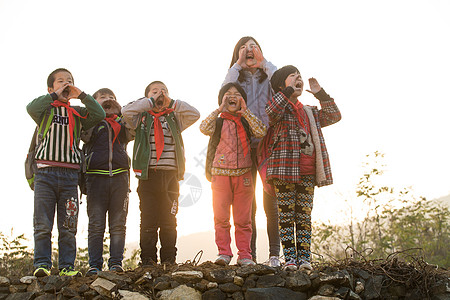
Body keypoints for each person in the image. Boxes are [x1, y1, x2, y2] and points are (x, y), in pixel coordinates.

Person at [26, 68, 105, 277]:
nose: (66, 83)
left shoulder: (77, 113)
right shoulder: (45, 111)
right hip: (45, 174)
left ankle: (67, 267)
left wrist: (82, 96)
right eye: (60, 81)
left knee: (68, 225)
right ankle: (42, 264)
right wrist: (54, 95)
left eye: (69, 81)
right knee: (43, 224)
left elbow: (99, 114)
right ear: (50, 88)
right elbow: (30, 107)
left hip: (70, 177)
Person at [265, 65, 341, 271]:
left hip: (307, 171)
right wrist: (288, 90)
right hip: (283, 170)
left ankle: (305, 259)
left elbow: (334, 116)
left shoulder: (309, 111)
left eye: (299, 76)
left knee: (304, 216)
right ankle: (290, 259)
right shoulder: (279, 108)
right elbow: (271, 111)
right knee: (286, 216)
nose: (299, 78)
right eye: (293, 76)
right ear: (282, 84)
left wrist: (319, 93)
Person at [122, 81, 200, 265]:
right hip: (148, 176)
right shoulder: (140, 119)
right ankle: (148, 258)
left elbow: (195, 114)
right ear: (147, 96)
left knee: (169, 219)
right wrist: (149, 103)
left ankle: (168, 259)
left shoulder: (174, 119)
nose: (160, 94)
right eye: (155, 91)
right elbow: (125, 112)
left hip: (171, 176)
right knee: (148, 219)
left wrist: (171, 103)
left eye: (163, 91)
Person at [222, 36, 280, 266]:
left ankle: (275, 254)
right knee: (246, 205)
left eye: (253, 47)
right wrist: (237, 65)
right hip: (242, 144)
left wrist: (263, 62)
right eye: (244, 48)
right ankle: (250, 256)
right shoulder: (235, 79)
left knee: (271, 200)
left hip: (268, 142)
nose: (249, 50)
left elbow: (281, 82)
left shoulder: (269, 78)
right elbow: (224, 92)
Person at [200, 82, 267, 267]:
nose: (232, 96)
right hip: (220, 174)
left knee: (243, 219)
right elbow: (203, 128)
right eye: (228, 93)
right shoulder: (218, 120)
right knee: (221, 217)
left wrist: (245, 112)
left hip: (244, 175)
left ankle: (245, 255)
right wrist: (219, 109)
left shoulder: (246, 120)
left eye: (237, 94)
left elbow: (261, 131)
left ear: (242, 100)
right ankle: (224, 253)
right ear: (222, 99)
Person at [81, 88, 133, 276]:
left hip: (120, 177)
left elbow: (133, 132)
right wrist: (97, 114)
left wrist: (122, 112)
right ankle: (94, 265)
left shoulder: (122, 123)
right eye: (102, 98)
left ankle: (115, 263)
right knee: (96, 224)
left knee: (118, 224)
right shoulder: (91, 122)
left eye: (111, 97)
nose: (108, 99)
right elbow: (83, 136)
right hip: (95, 177)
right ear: (94, 102)